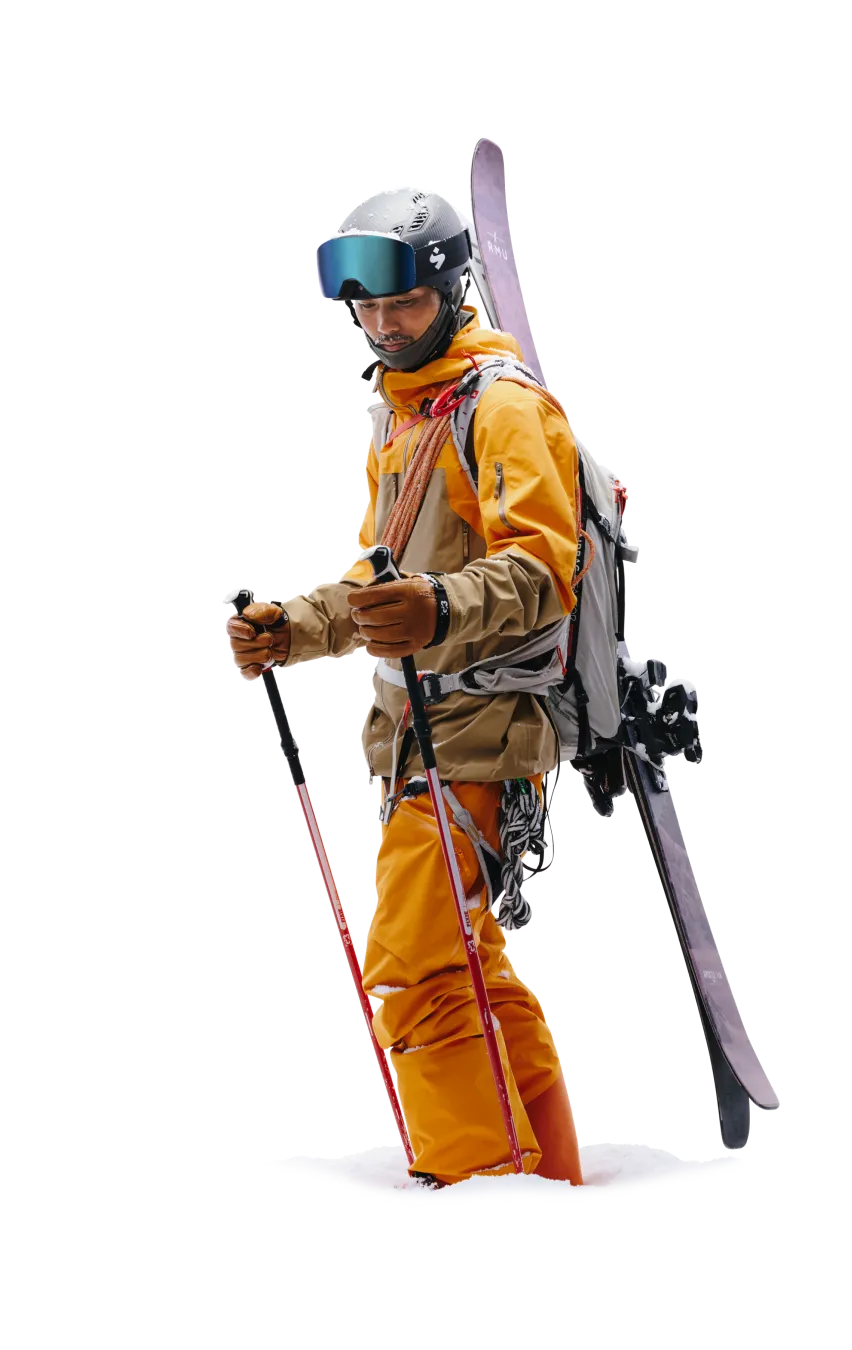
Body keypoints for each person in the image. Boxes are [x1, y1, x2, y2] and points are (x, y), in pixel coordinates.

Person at [227, 189, 583, 1188]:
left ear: (453, 291)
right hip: (418, 733)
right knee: (471, 965)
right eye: (369, 310)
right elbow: (378, 581)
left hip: (481, 726)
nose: (384, 326)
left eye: (406, 304)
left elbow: (544, 567)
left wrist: (437, 608)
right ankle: (545, 1174)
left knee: (416, 966)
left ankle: (479, 1182)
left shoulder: (501, 408)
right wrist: (295, 627)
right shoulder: (412, 413)